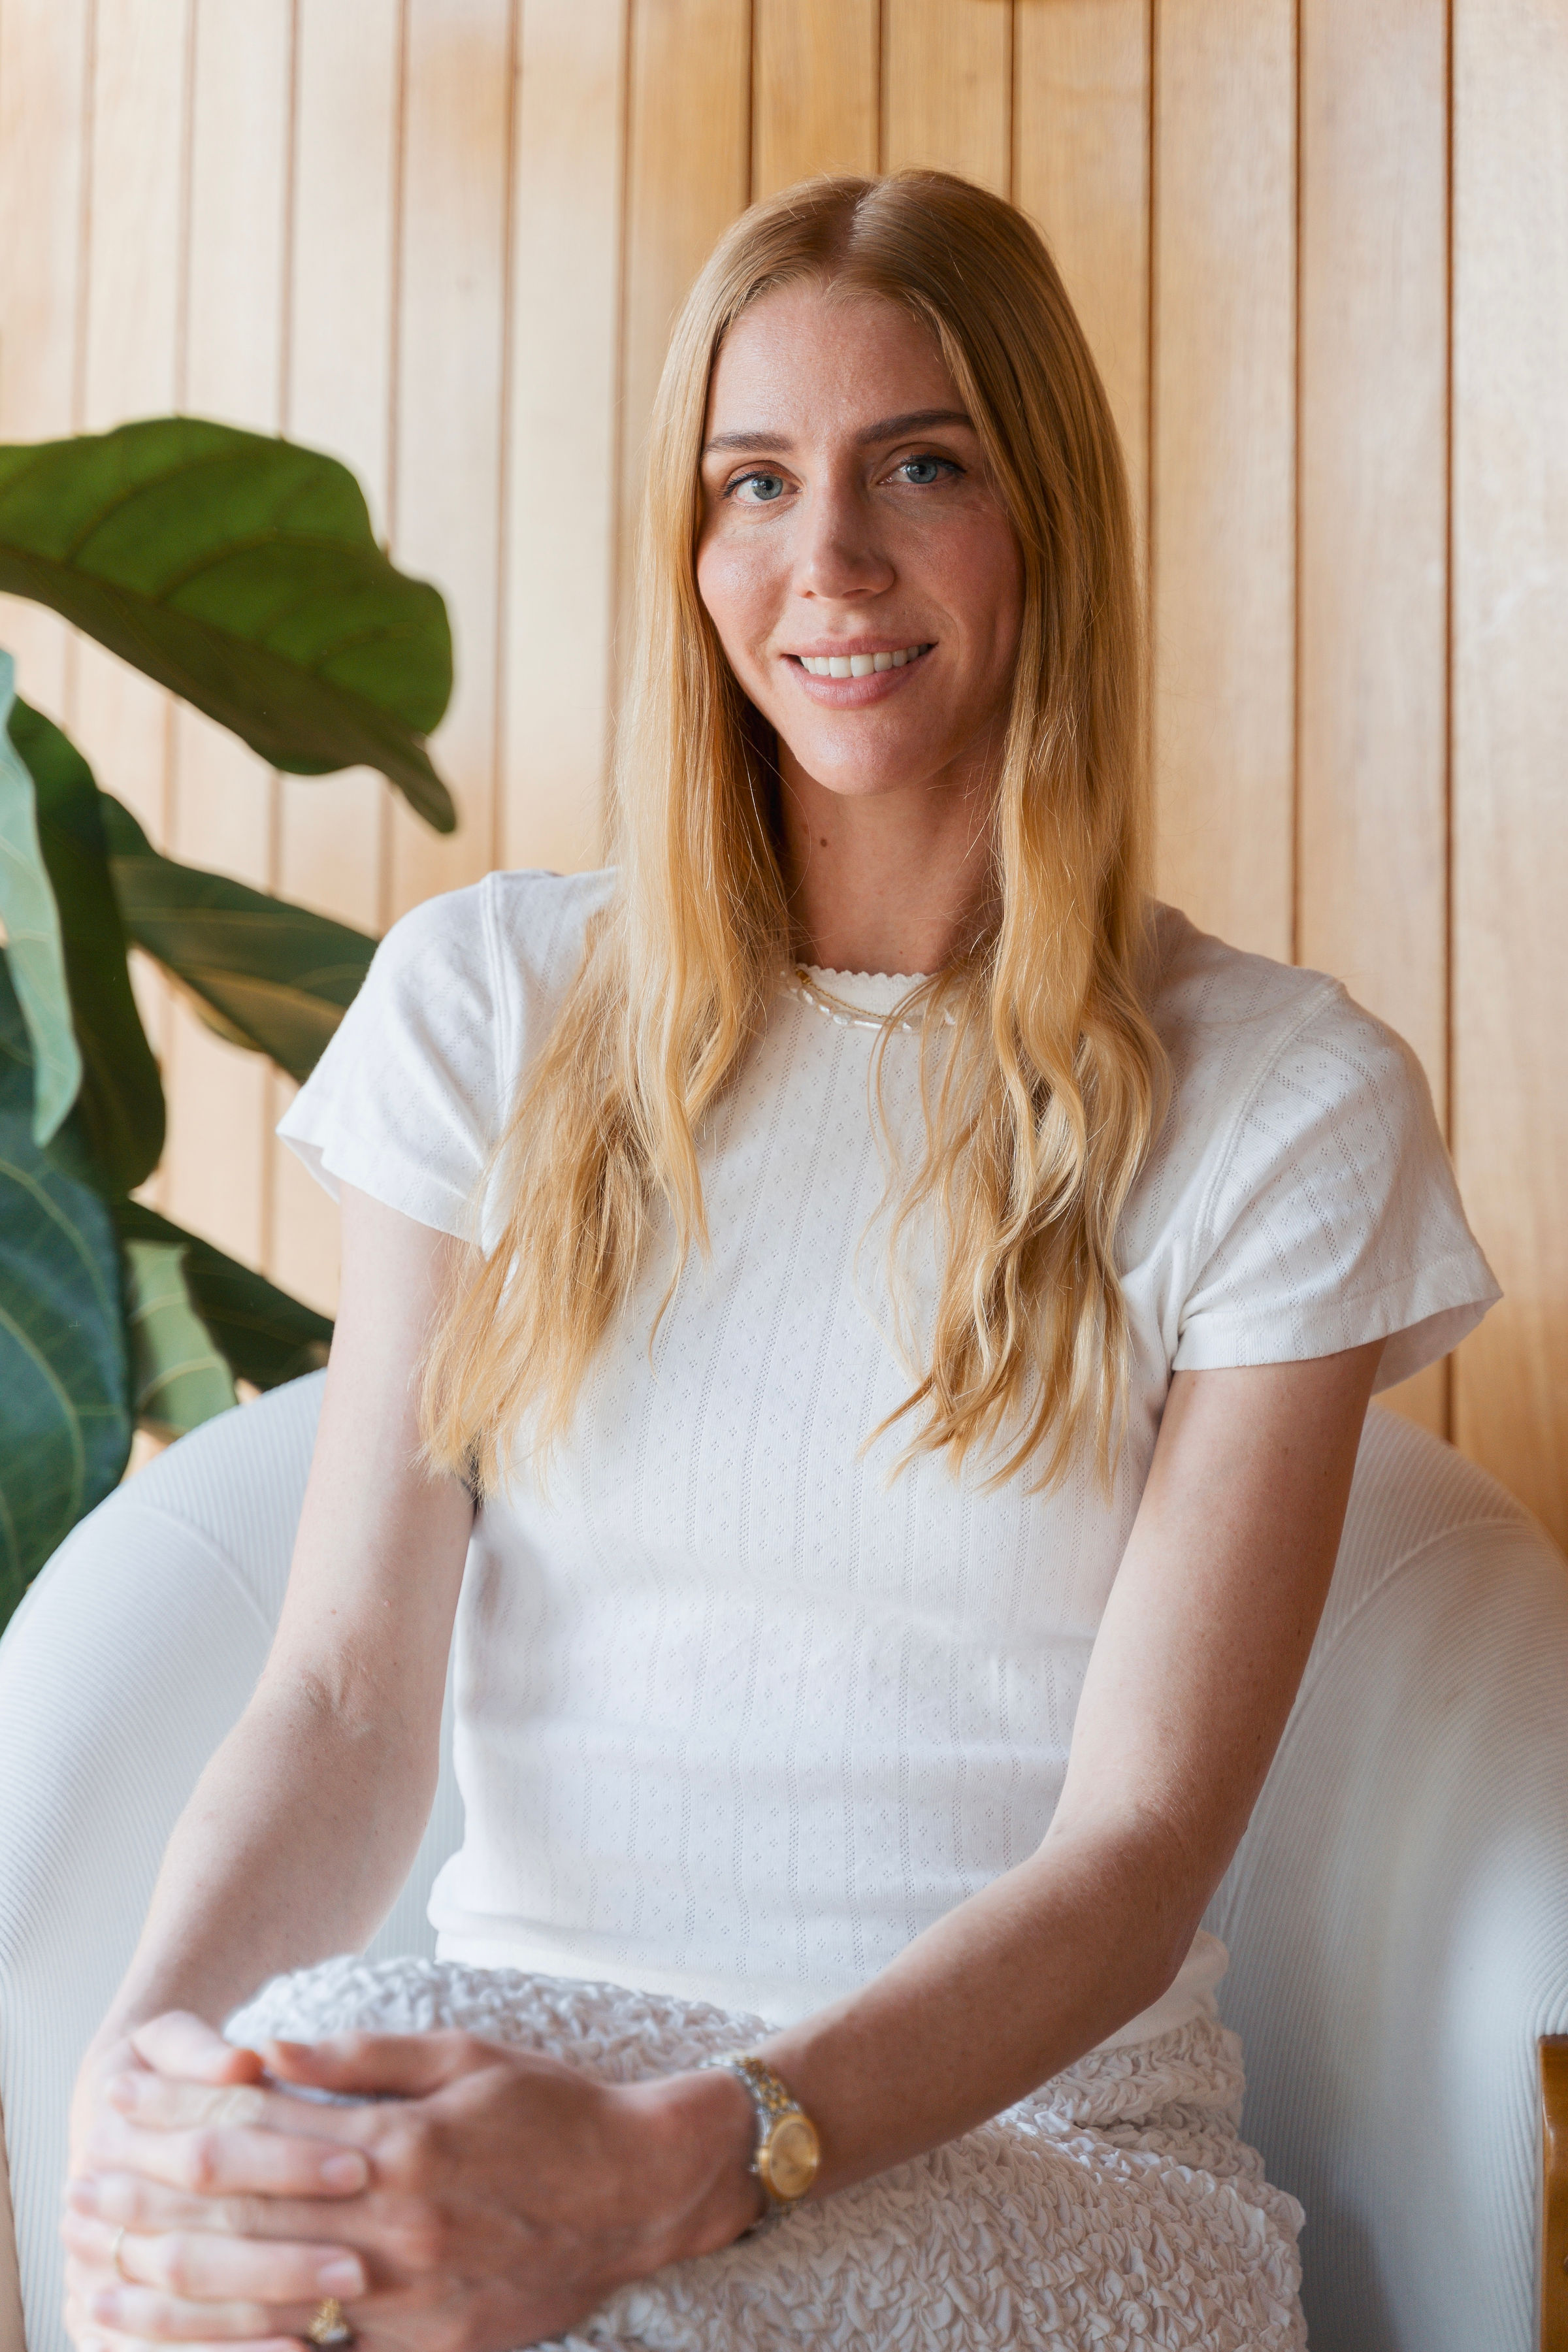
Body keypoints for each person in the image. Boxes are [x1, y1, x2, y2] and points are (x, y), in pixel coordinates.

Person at [63, 171, 1497, 2352]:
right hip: (542, 2074)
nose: (829, 561)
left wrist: (687, 2160)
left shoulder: (1280, 1100)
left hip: (1053, 2165)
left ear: (1048, 525)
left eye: (922, 466)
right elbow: (346, 1698)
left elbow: (1134, 1858)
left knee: (454, 2277)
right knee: (288, 2168)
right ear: (692, 542)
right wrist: (141, 2085)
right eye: (756, 482)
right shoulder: (488, 1010)